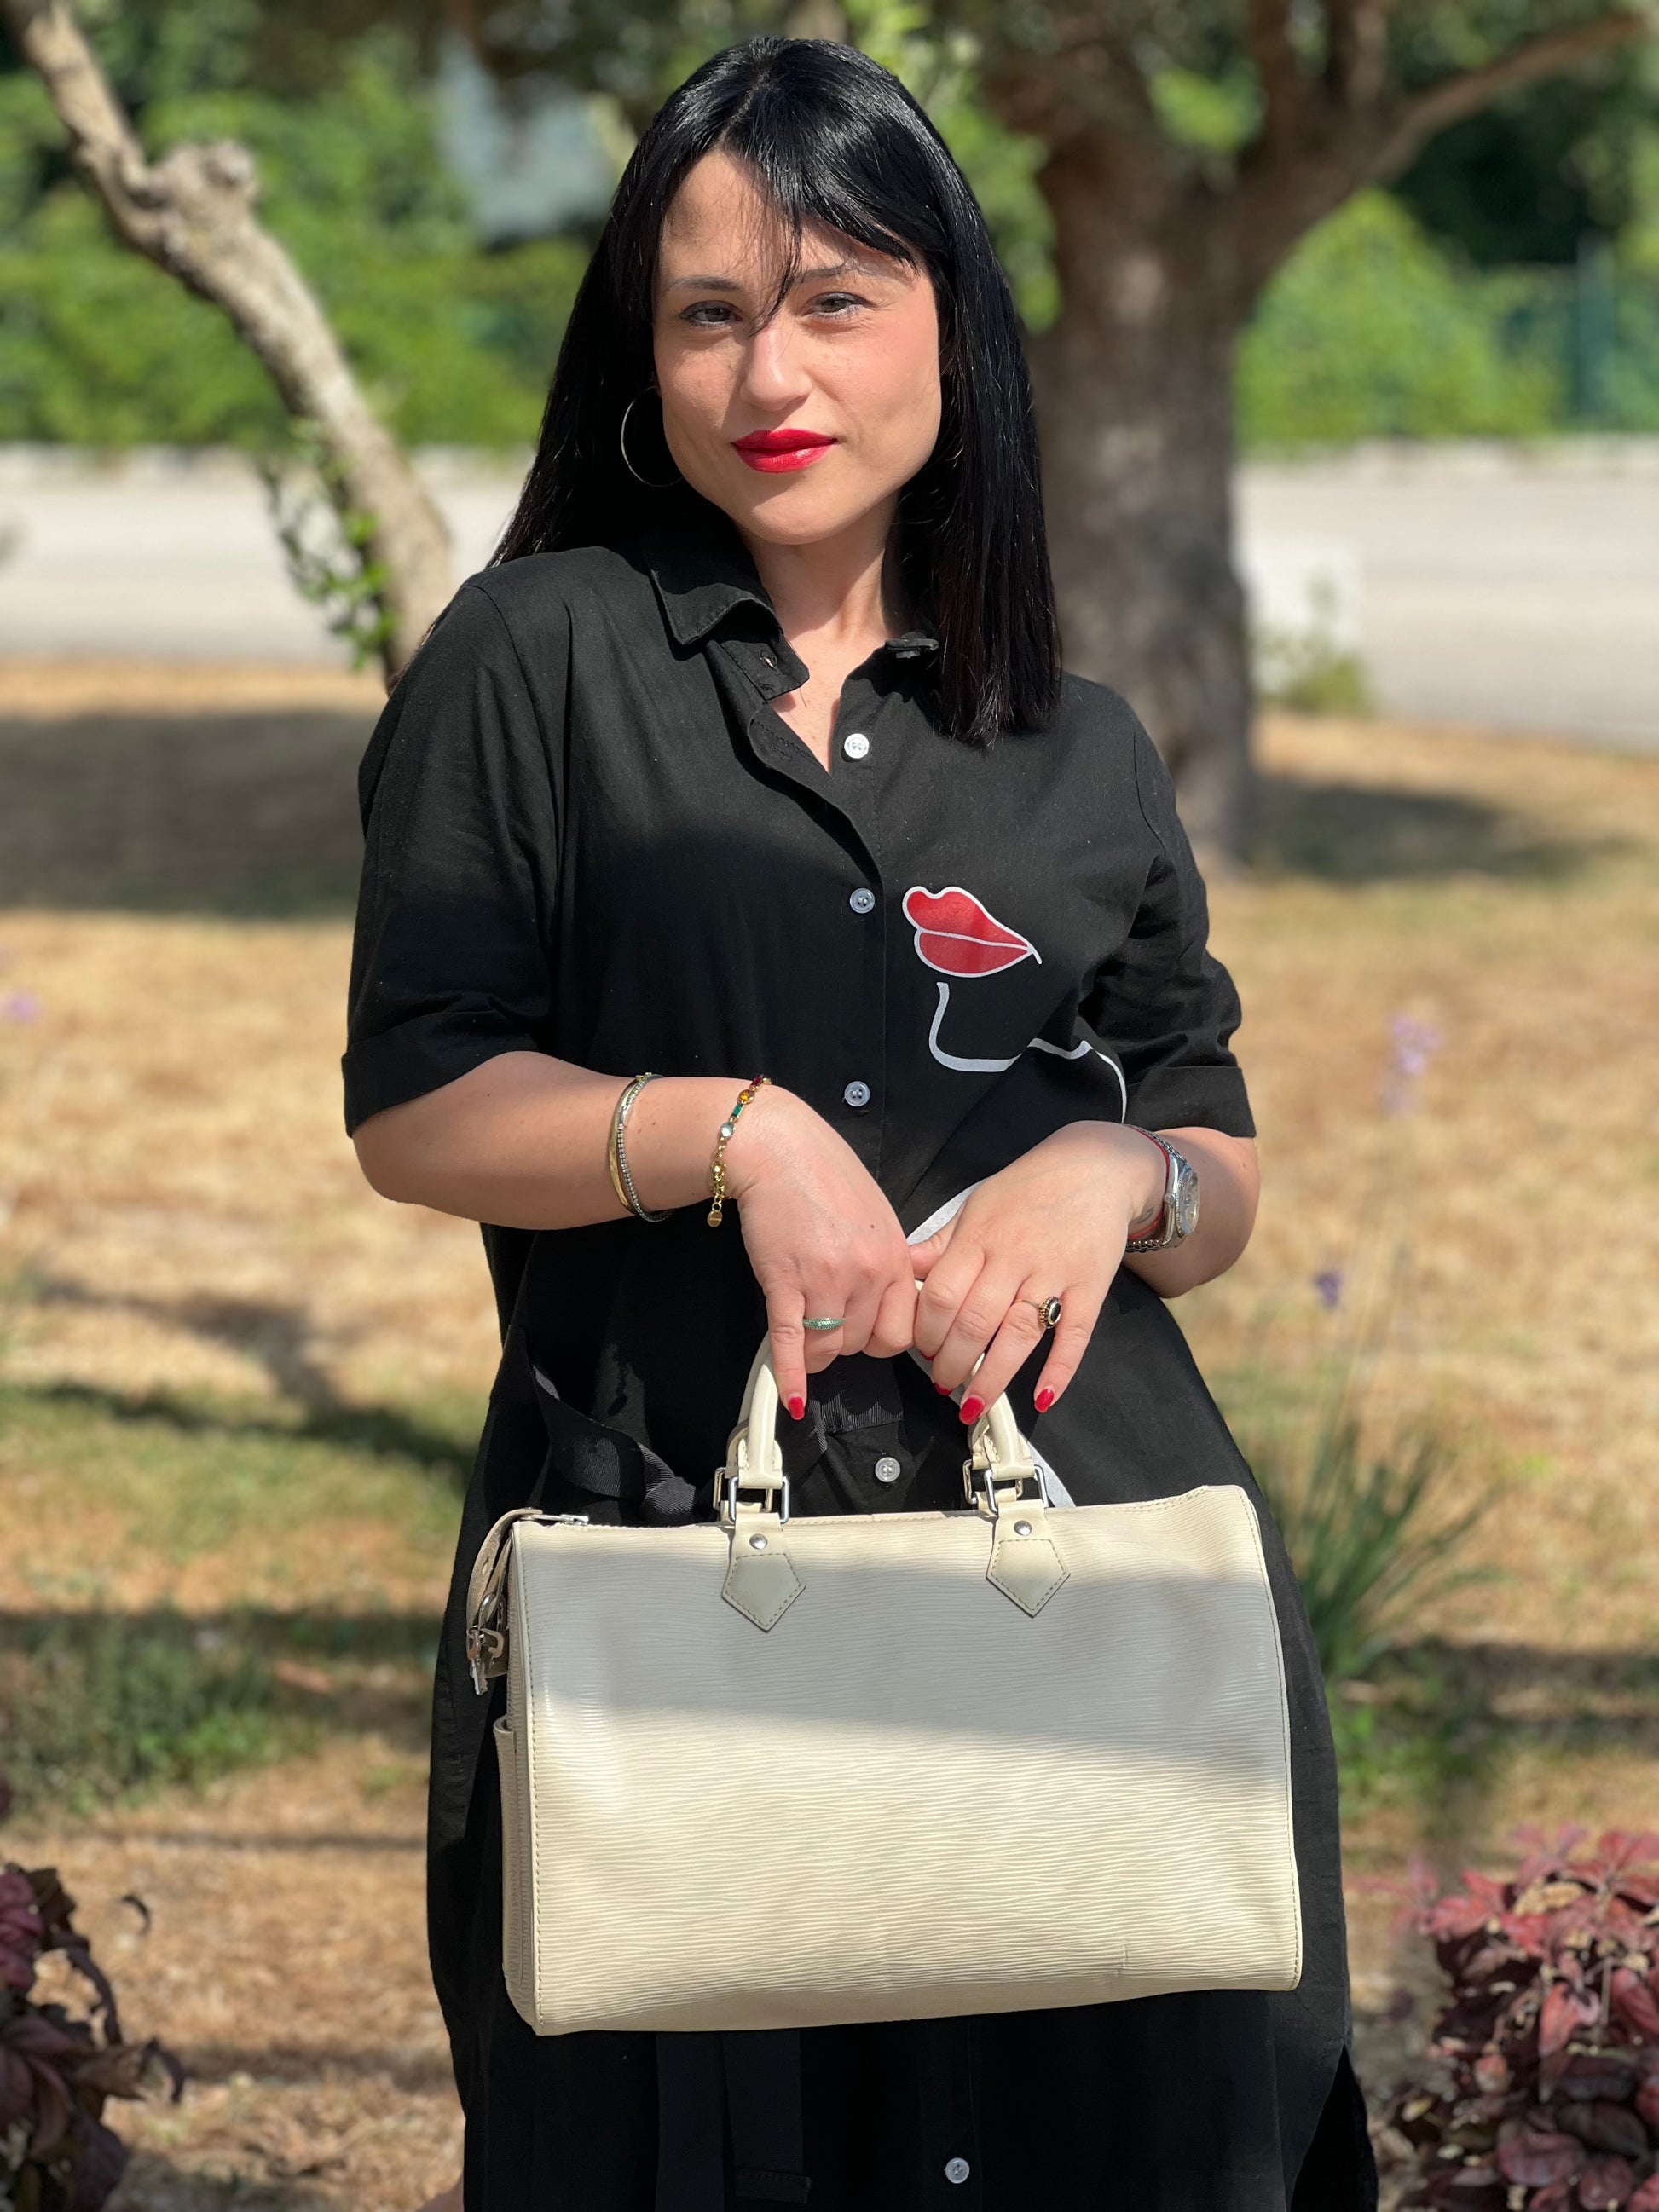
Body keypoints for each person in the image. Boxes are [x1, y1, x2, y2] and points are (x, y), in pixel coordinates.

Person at [344, 35, 1375, 2212]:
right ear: (641, 355)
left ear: (951, 332)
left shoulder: (1077, 740)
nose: (767, 373)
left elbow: (1209, 1152)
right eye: (707, 313)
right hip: (680, 1592)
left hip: (1082, 1583)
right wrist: (730, 1132)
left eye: (834, 301)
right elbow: (419, 1101)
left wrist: (1112, 1174)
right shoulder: (537, 660)